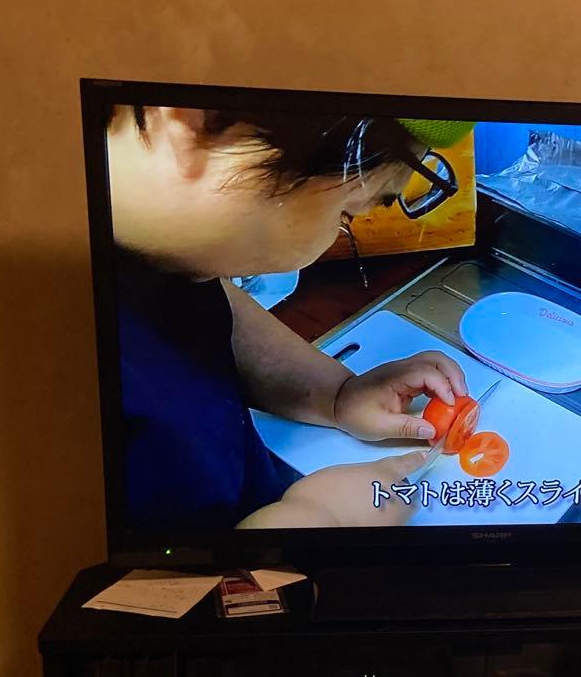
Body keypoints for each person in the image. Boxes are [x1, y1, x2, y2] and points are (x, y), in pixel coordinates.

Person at [106, 104, 473, 530]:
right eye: (347, 213)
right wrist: (321, 517)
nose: (336, 233)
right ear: (197, 123)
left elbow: (207, 310)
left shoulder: (167, 253)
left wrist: (334, 394)